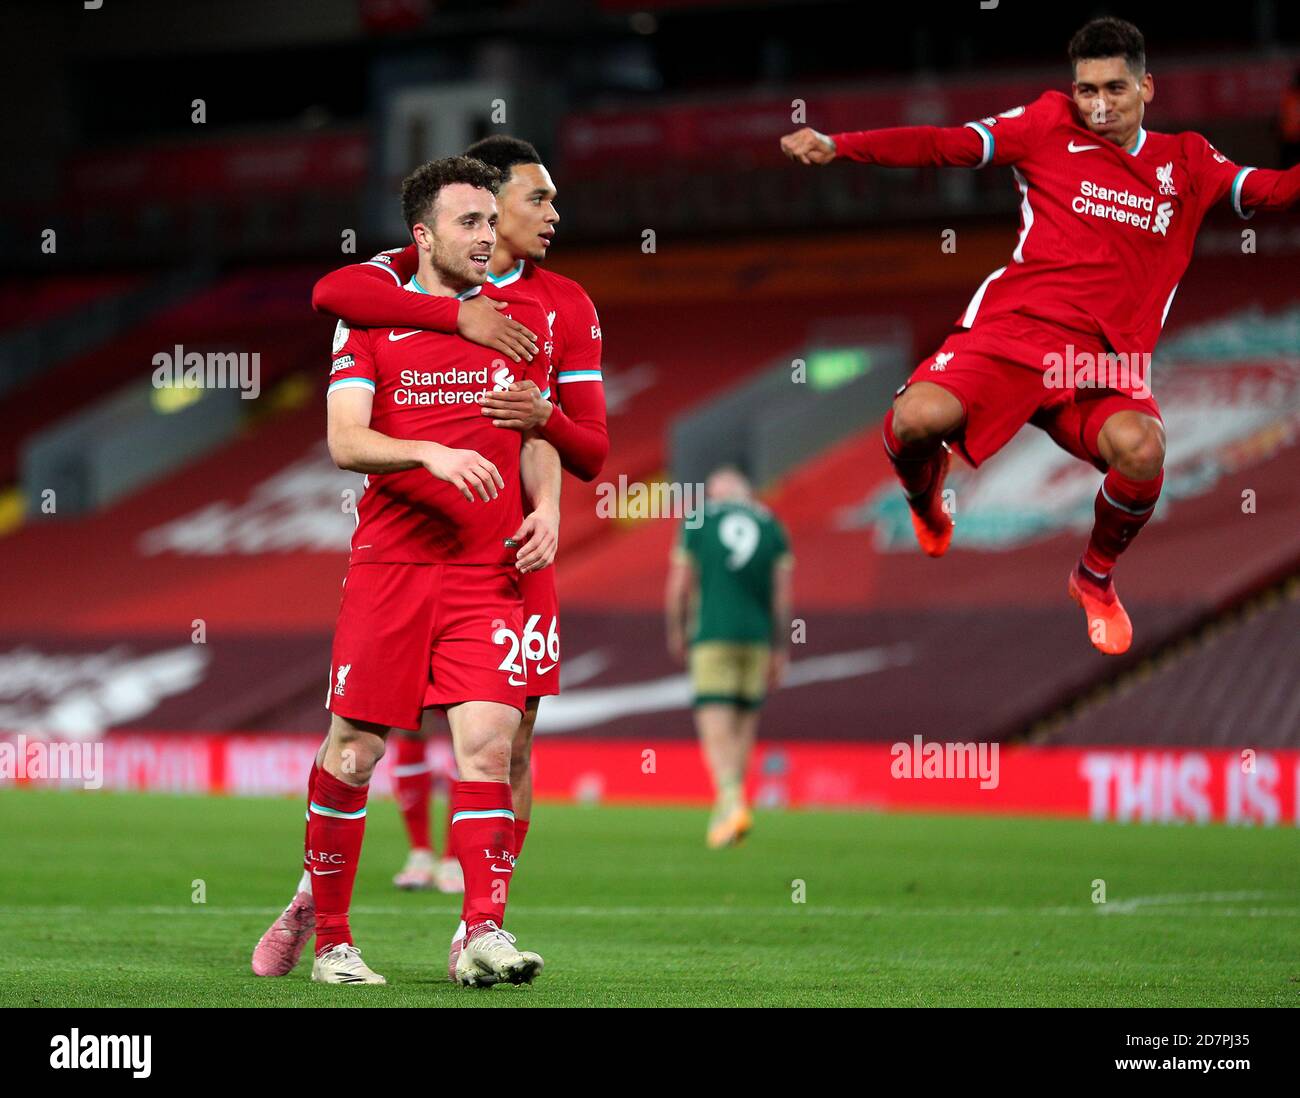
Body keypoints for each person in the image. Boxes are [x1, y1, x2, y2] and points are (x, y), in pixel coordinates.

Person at [781, 16, 1300, 655]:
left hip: (1098, 366)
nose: (1098, 105)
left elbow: (1276, 192)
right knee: (914, 420)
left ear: (1147, 89)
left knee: (1143, 452)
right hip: (1012, 334)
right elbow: (947, 145)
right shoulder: (1048, 124)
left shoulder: (1187, 161)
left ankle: (1095, 578)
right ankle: (925, 498)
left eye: (1114, 88)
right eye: (1087, 89)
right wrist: (841, 145)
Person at [253, 155, 560, 987]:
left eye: (492, 222)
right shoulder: (370, 315)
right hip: (392, 564)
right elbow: (346, 441)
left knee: (491, 745)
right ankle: (334, 941)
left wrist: (549, 504)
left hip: (484, 570)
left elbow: (538, 429)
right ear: (422, 235)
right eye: (468, 222)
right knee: (353, 754)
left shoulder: (518, 319)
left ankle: (481, 932)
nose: (487, 236)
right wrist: (428, 450)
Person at [666, 466, 793, 848]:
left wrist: (677, 628)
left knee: (714, 725)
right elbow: (782, 597)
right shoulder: (772, 525)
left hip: (712, 634)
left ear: (718, 492)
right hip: (755, 638)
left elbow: (679, 585)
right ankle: (727, 818)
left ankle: (731, 797)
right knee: (743, 726)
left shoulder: (700, 520)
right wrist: (781, 646)